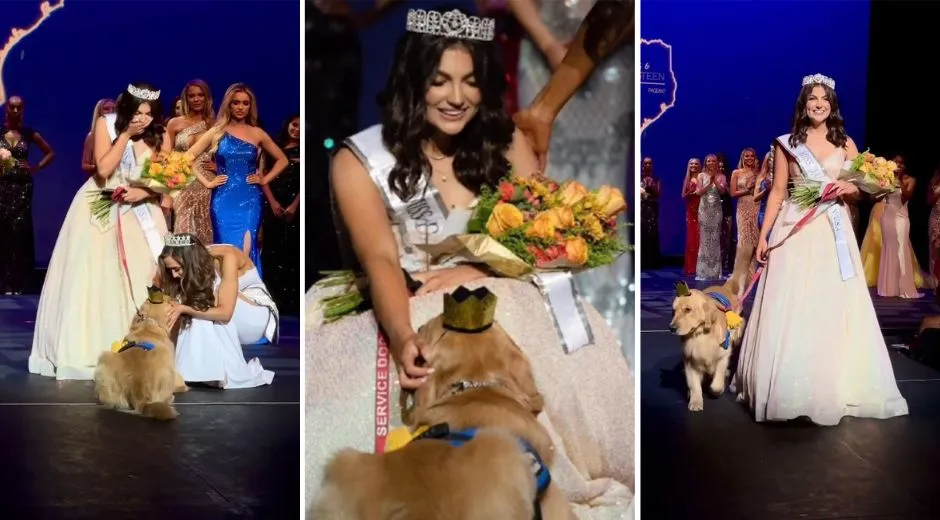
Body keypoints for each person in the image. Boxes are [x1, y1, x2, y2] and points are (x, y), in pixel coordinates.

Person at [306, 8, 634, 515]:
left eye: (470, 82)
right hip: (408, 297)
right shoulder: (360, 159)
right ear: (413, 82)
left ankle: (525, 469)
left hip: (504, 293)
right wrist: (401, 336)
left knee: (511, 313)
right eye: (439, 82)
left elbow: (543, 241)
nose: (456, 98)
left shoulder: (504, 143)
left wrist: (480, 269)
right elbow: (380, 261)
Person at [733, 74, 909, 425]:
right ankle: (786, 388)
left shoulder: (846, 142)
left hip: (834, 230)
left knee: (831, 301)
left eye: (824, 98)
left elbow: (861, 189)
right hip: (795, 228)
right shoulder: (787, 144)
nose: (818, 103)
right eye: (811, 98)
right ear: (803, 103)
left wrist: (849, 189)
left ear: (832, 104)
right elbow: (779, 192)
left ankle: (835, 384)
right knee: (794, 300)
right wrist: (764, 235)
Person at [30, 83, 168, 380]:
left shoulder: (161, 135)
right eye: (138, 112)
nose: (143, 119)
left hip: (142, 211)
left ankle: (143, 349)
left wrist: (142, 193)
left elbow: (166, 180)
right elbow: (104, 169)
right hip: (101, 206)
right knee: (95, 276)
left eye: (148, 113)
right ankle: (93, 346)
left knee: (146, 274)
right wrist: (127, 136)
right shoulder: (106, 125)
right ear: (126, 109)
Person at [185, 83, 288, 275]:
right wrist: (207, 182)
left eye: (245, 103)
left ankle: (250, 297)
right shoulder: (217, 131)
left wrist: (264, 180)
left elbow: (282, 160)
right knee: (225, 249)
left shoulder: (257, 133)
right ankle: (226, 296)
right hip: (223, 200)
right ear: (229, 105)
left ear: (251, 106)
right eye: (236, 103)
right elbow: (187, 157)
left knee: (248, 248)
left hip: (250, 200)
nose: (240, 107)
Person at [160, 233, 276, 389]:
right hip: (231, 312)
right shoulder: (197, 260)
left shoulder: (226, 257)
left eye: (177, 269)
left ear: (189, 260)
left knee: (201, 301)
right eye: (171, 270)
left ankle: (225, 371)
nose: (174, 275)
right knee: (190, 303)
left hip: (257, 315)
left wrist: (185, 308)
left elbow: (225, 313)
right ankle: (201, 370)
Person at [0, 95, 56, 294]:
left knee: (21, 232)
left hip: (23, 187)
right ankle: (4, 282)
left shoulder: (28, 133)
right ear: (7, 108)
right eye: (12, 107)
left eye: (19, 108)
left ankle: (20, 282)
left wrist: (35, 167)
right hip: (2, 187)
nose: (15, 111)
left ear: (22, 110)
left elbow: (50, 152)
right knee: (4, 231)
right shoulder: (0, 132)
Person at [165, 79, 220, 246]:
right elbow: (166, 157)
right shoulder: (175, 123)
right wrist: (166, 191)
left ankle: (203, 270)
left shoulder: (215, 123)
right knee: (183, 227)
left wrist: (219, 167)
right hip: (182, 182)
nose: (196, 99)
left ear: (207, 97)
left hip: (208, 184)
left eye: (200, 95)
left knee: (205, 228)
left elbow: (223, 153)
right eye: (192, 96)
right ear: (186, 99)